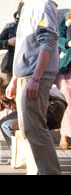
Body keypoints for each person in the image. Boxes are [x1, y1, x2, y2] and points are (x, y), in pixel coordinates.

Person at [6, 0, 61, 175]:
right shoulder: (27, 8)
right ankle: (36, 171)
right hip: (26, 77)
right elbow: (26, 49)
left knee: (35, 129)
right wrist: (14, 80)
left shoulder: (42, 5)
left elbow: (48, 40)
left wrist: (36, 79)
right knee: (28, 130)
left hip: (34, 77)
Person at [0, 2, 24, 81]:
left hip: (29, 66)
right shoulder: (11, 26)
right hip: (13, 66)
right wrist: (8, 42)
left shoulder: (35, 26)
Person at [55, 10, 71, 150]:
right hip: (67, 67)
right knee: (67, 102)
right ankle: (64, 135)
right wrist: (68, 43)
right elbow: (59, 37)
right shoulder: (68, 18)